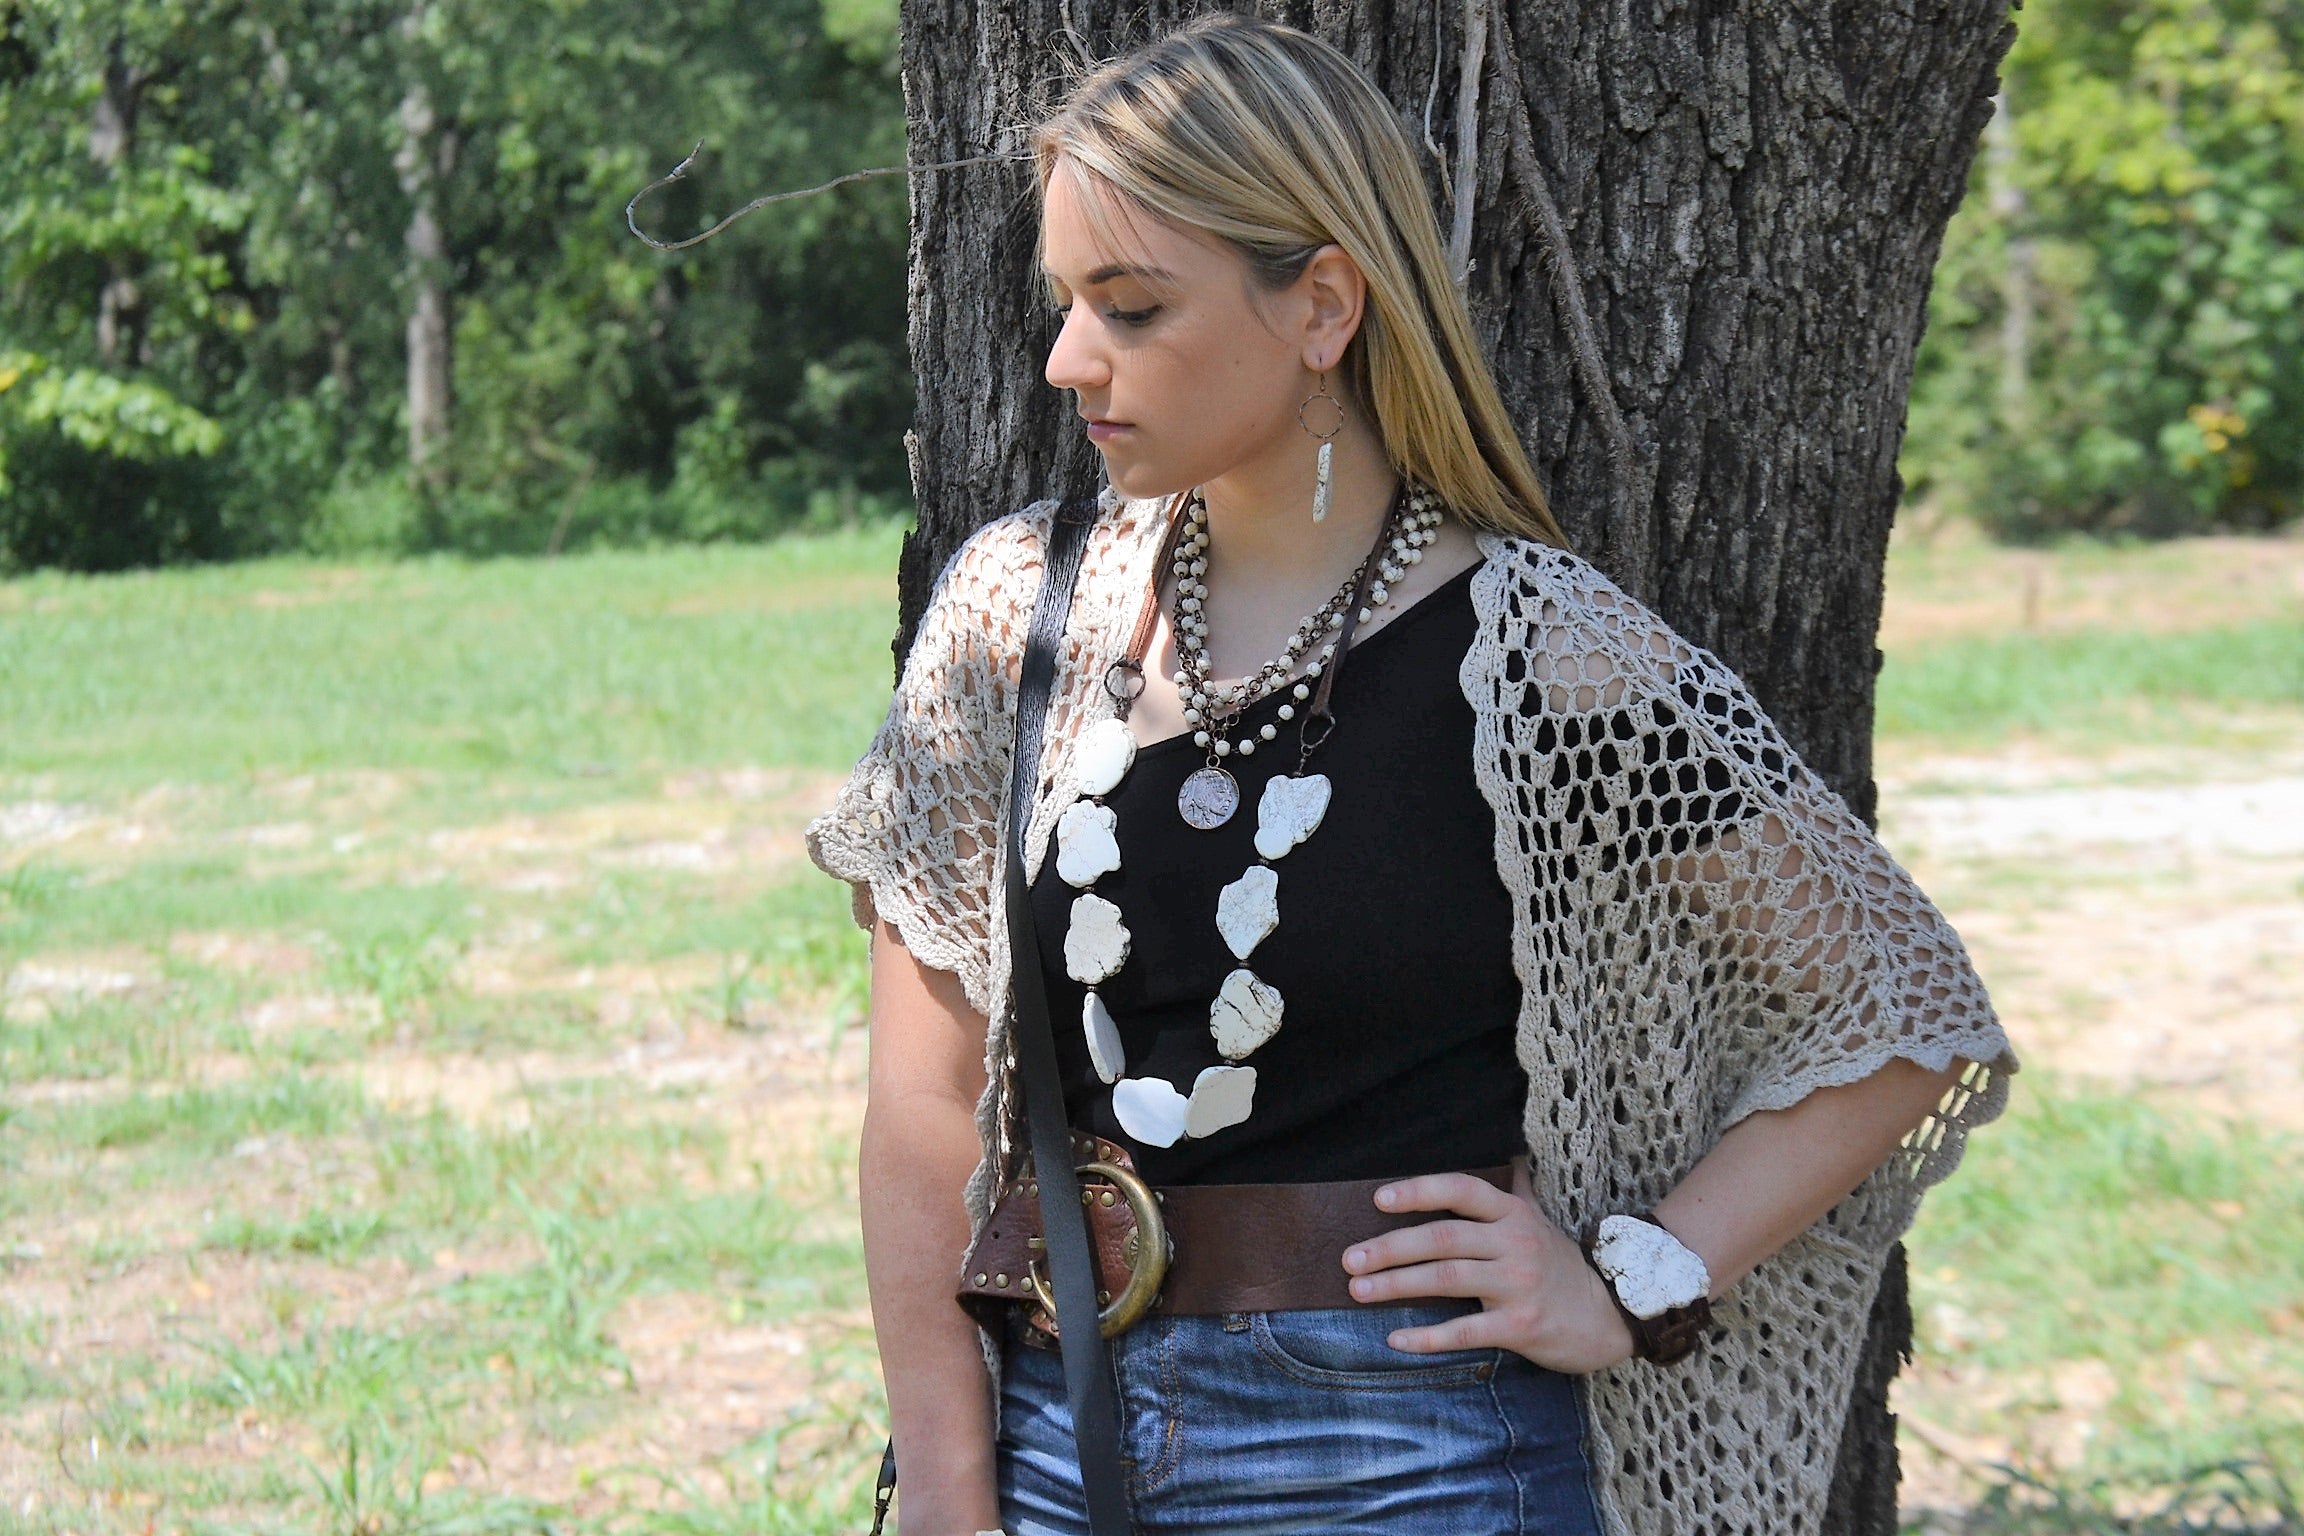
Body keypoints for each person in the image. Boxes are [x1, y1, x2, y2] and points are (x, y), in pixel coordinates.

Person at [806, 15, 2016, 1536]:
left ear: (1322, 305)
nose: (1065, 361)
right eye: (1064, 302)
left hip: (1422, 1447)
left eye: (1131, 306)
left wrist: (1636, 1276)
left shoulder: (1547, 661)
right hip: (1062, 1430)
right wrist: (946, 1480)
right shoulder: (1011, 620)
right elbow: (919, 1108)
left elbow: (1896, 1010)